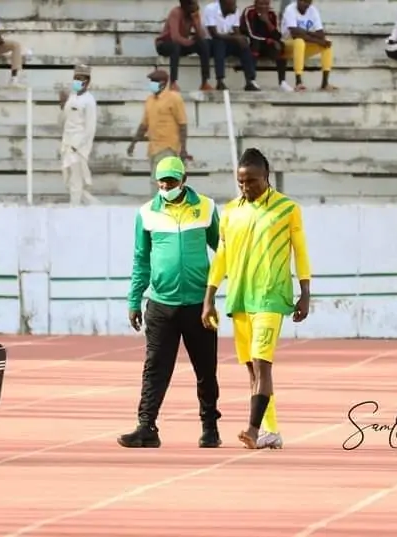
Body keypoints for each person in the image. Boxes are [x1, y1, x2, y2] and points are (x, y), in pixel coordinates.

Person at [202, 148, 311, 450]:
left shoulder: (287, 209)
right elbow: (221, 256)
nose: (246, 187)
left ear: (266, 176)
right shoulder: (230, 212)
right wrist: (209, 297)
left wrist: (305, 292)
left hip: (270, 297)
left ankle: (252, 429)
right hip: (239, 297)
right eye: (241, 182)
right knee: (252, 367)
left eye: (252, 181)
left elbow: (300, 251)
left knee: (262, 363)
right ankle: (270, 430)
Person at [120, 156, 222, 449]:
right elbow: (141, 260)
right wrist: (134, 300)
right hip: (160, 304)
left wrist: (215, 291)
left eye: (171, 182)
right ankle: (146, 427)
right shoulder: (146, 213)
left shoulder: (206, 207)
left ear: (183, 180)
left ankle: (210, 428)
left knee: (205, 369)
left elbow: (222, 249)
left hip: (198, 305)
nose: (166, 187)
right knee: (155, 368)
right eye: (162, 182)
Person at [127, 69, 191, 196]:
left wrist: (183, 148)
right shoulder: (150, 100)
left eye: (155, 81)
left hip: (168, 146)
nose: (152, 83)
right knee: (161, 180)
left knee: (158, 180)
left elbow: (182, 124)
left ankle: (159, 205)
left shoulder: (174, 98)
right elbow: (144, 125)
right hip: (153, 148)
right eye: (151, 81)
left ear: (163, 83)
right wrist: (133, 143)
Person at [58, 64, 98, 205]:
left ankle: (74, 208)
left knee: (76, 180)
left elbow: (90, 128)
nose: (77, 81)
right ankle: (93, 206)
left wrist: (78, 146)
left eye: (80, 78)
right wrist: (62, 104)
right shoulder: (72, 97)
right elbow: (65, 120)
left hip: (78, 146)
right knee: (68, 179)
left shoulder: (89, 100)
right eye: (75, 78)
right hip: (67, 142)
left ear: (87, 81)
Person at [155, 0, 212, 91]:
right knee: (175, 46)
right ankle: (173, 83)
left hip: (181, 44)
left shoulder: (193, 15)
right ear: (186, 5)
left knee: (203, 43)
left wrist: (196, 20)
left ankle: (204, 83)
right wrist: (190, 42)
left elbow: (201, 35)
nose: (197, 5)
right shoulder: (176, 13)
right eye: (194, 3)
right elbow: (175, 37)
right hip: (164, 44)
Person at [203, 0, 259, 91]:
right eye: (233, 3)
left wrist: (240, 39)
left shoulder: (235, 10)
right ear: (224, 3)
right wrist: (235, 38)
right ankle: (220, 81)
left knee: (243, 44)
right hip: (209, 44)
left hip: (226, 41)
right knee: (219, 43)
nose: (235, 6)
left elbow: (236, 31)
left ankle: (250, 81)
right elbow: (214, 34)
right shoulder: (211, 9)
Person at [280, 0, 336, 91]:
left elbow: (321, 34)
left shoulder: (313, 10)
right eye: (302, 1)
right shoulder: (290, 9)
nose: (305, 3)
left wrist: (304, 33)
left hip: (304, 46)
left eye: (308, 1)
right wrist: (314, 37)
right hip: (287, 45)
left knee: (326, 44)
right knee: (299, 41)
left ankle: (325, 83)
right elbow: (294, 33)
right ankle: (298, 82)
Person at [240, 0, 289, 91]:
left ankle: (282, 82)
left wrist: (267, 21)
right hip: (252, 42)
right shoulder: (249, 12)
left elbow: (277, 35)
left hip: (267, 44)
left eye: (266, 4)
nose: (263, 6)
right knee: (255, 44)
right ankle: (251, 80)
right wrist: (268, 40)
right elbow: (251, 34)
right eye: (261, 4)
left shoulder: (272, 13)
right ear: (255, 3)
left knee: (280, 46)